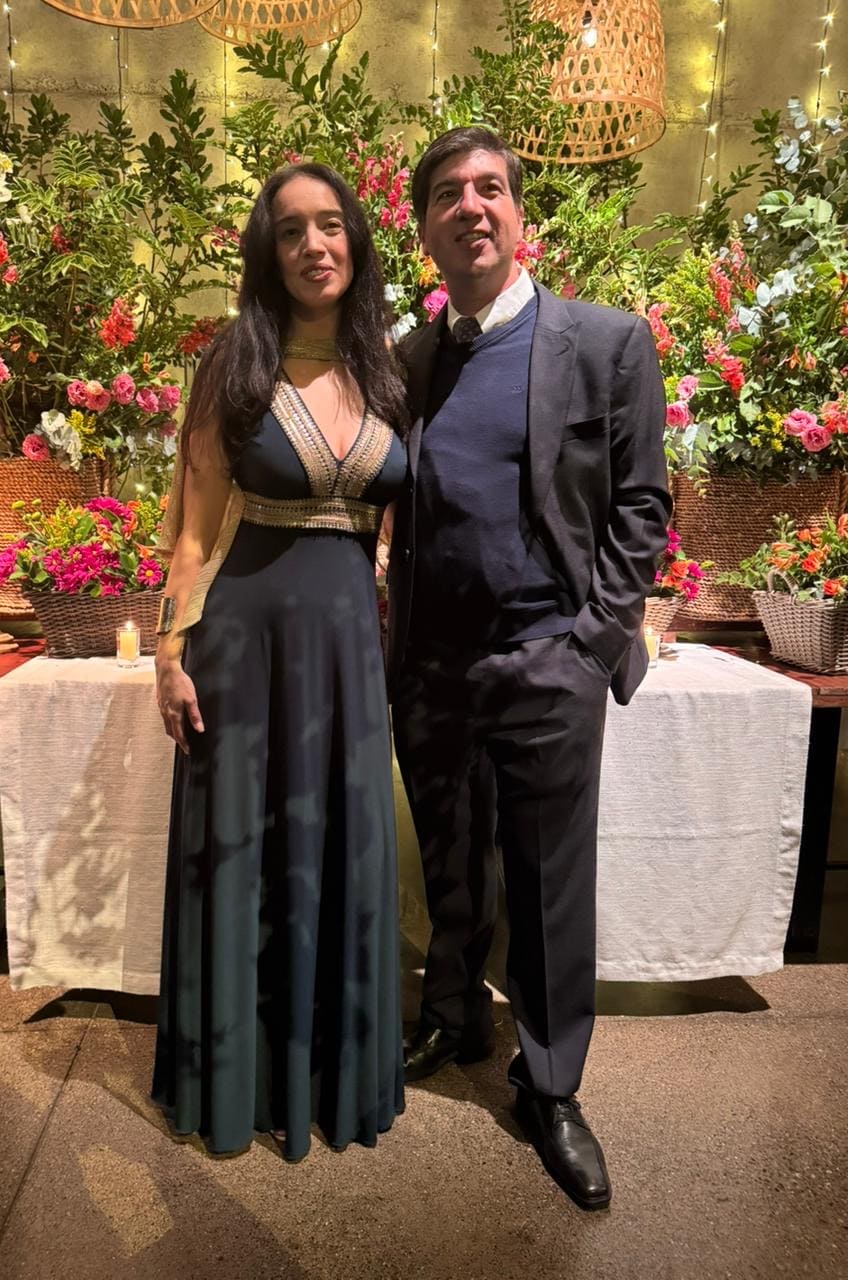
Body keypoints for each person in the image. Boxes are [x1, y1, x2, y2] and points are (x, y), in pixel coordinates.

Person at [387, 127, 671, 1209]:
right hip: (434, 667)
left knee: (551, 884)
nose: (471, 206)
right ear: (425, 230)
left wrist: (593, 641)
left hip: (551, 662)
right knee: (451, 859)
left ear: (518, 215)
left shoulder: (606, 344)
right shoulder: (407, 362)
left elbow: (641, 504)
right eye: (448, 194)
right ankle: (454, 1013)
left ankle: (550, 1084)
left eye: (490, 188)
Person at [151, 163, 408, 1162]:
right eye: (292, 229)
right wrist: (169, 650)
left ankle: (332, 1077)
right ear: (269, 250)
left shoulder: (387, 367)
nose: (314, 246)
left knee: (342, 850)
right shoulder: (234, 365)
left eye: (330, 225)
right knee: (243, 859)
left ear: (356, 241)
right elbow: (191, 527)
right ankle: (235, 1082)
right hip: (243, 650)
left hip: (348, 658)